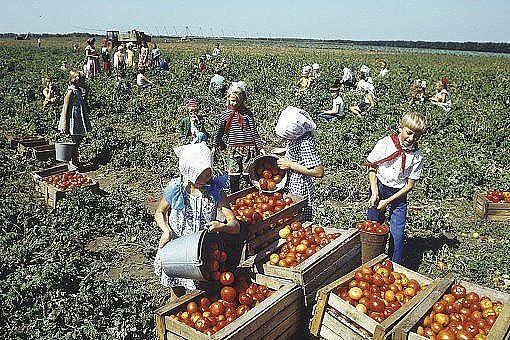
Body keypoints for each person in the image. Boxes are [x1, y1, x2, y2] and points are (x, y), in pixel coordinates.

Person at [153, 142, 240, 292]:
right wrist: (166, 231)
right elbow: (160, 212)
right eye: (202, 175)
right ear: (190, 172)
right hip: (176, 249)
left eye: (208, 174)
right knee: (177, 290)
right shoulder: (176, 188)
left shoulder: (216, 192)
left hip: (201, 253)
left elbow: (235, 226)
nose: (207, 178)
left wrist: (223, 226)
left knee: (199, 295)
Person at [364, 112, 426, 264]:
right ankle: (369, 259)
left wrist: (387, 201)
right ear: (400, 128)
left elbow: (409, 185)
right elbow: (372, 167)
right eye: (409, 133)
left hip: (398, 194)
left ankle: (394, 265)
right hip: (379, 187)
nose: (411, 139)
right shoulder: (385, 143)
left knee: (397, 233)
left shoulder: (416, 156)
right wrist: (375, 193)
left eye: (416, 136)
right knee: (372, 226)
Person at [212, 81, 265, 193]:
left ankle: (252, 195)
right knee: (233, 175)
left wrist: (260, 147)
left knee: (249, 175)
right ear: (228, 99)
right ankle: (234, 196)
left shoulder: (247, 114)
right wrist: (215, 145)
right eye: (232, 101)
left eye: (237, 101)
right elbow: (219, 131)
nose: (234, 103)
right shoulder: (225, 114)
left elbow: (254, 132)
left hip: (248, 148)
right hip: (233, 149)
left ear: (241, 100)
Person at [275, 106, 324, 221]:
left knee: (300, 216)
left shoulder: (306, 143)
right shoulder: (298, 136)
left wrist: (290, 165)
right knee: (291, 212)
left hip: (300, 186)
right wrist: (284, 150)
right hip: (292, 183)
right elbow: (297, 151)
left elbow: (319, 172)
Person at [58, 71, 92, 171]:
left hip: (79, 118)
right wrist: (64, 123)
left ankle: (75, 159)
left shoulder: (78, 90)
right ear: (76, 81)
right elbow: (65, 107)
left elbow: (83, 101)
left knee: (79, 138)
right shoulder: (70, 92)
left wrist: (87, 91)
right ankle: (73, 161)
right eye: (83, 80)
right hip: (73, 118)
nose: (84, 82)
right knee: (75, 140)